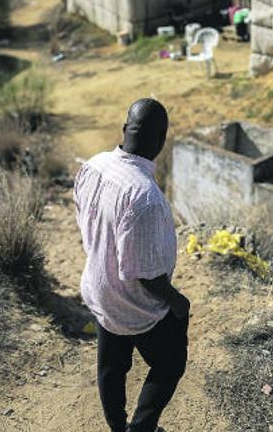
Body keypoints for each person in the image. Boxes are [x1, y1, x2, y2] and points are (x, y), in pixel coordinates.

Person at [74, 98, 190, 432]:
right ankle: (141, 428)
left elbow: (84, 218)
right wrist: (178, 301)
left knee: (112, 367)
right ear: (161, 140)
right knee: (169, 364)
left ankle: (117, 426)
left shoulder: (93, 166)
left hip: (99, 290)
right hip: (134, 303)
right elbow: (147, 276)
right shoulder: (145, 197)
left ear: (125, 129)